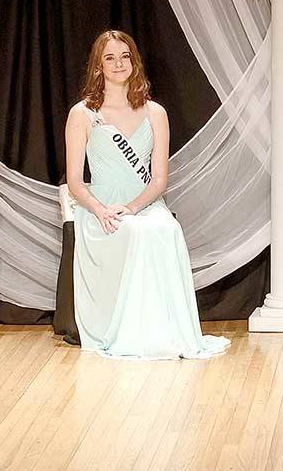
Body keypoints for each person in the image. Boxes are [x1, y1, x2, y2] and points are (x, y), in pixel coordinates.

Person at [63, 30, 229, 360]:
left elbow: (159, 180)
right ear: (98, 65)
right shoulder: (82, 114)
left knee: (166, 229)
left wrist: (133, 207)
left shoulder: (155, 113)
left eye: (124, 56)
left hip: (143, 202)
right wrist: (101, 210)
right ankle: (129, 334)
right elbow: (75, 182)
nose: (118, 64)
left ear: (134, 61)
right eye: (110, 58)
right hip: (100, 208)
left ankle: (165, 333)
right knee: (136, 233)